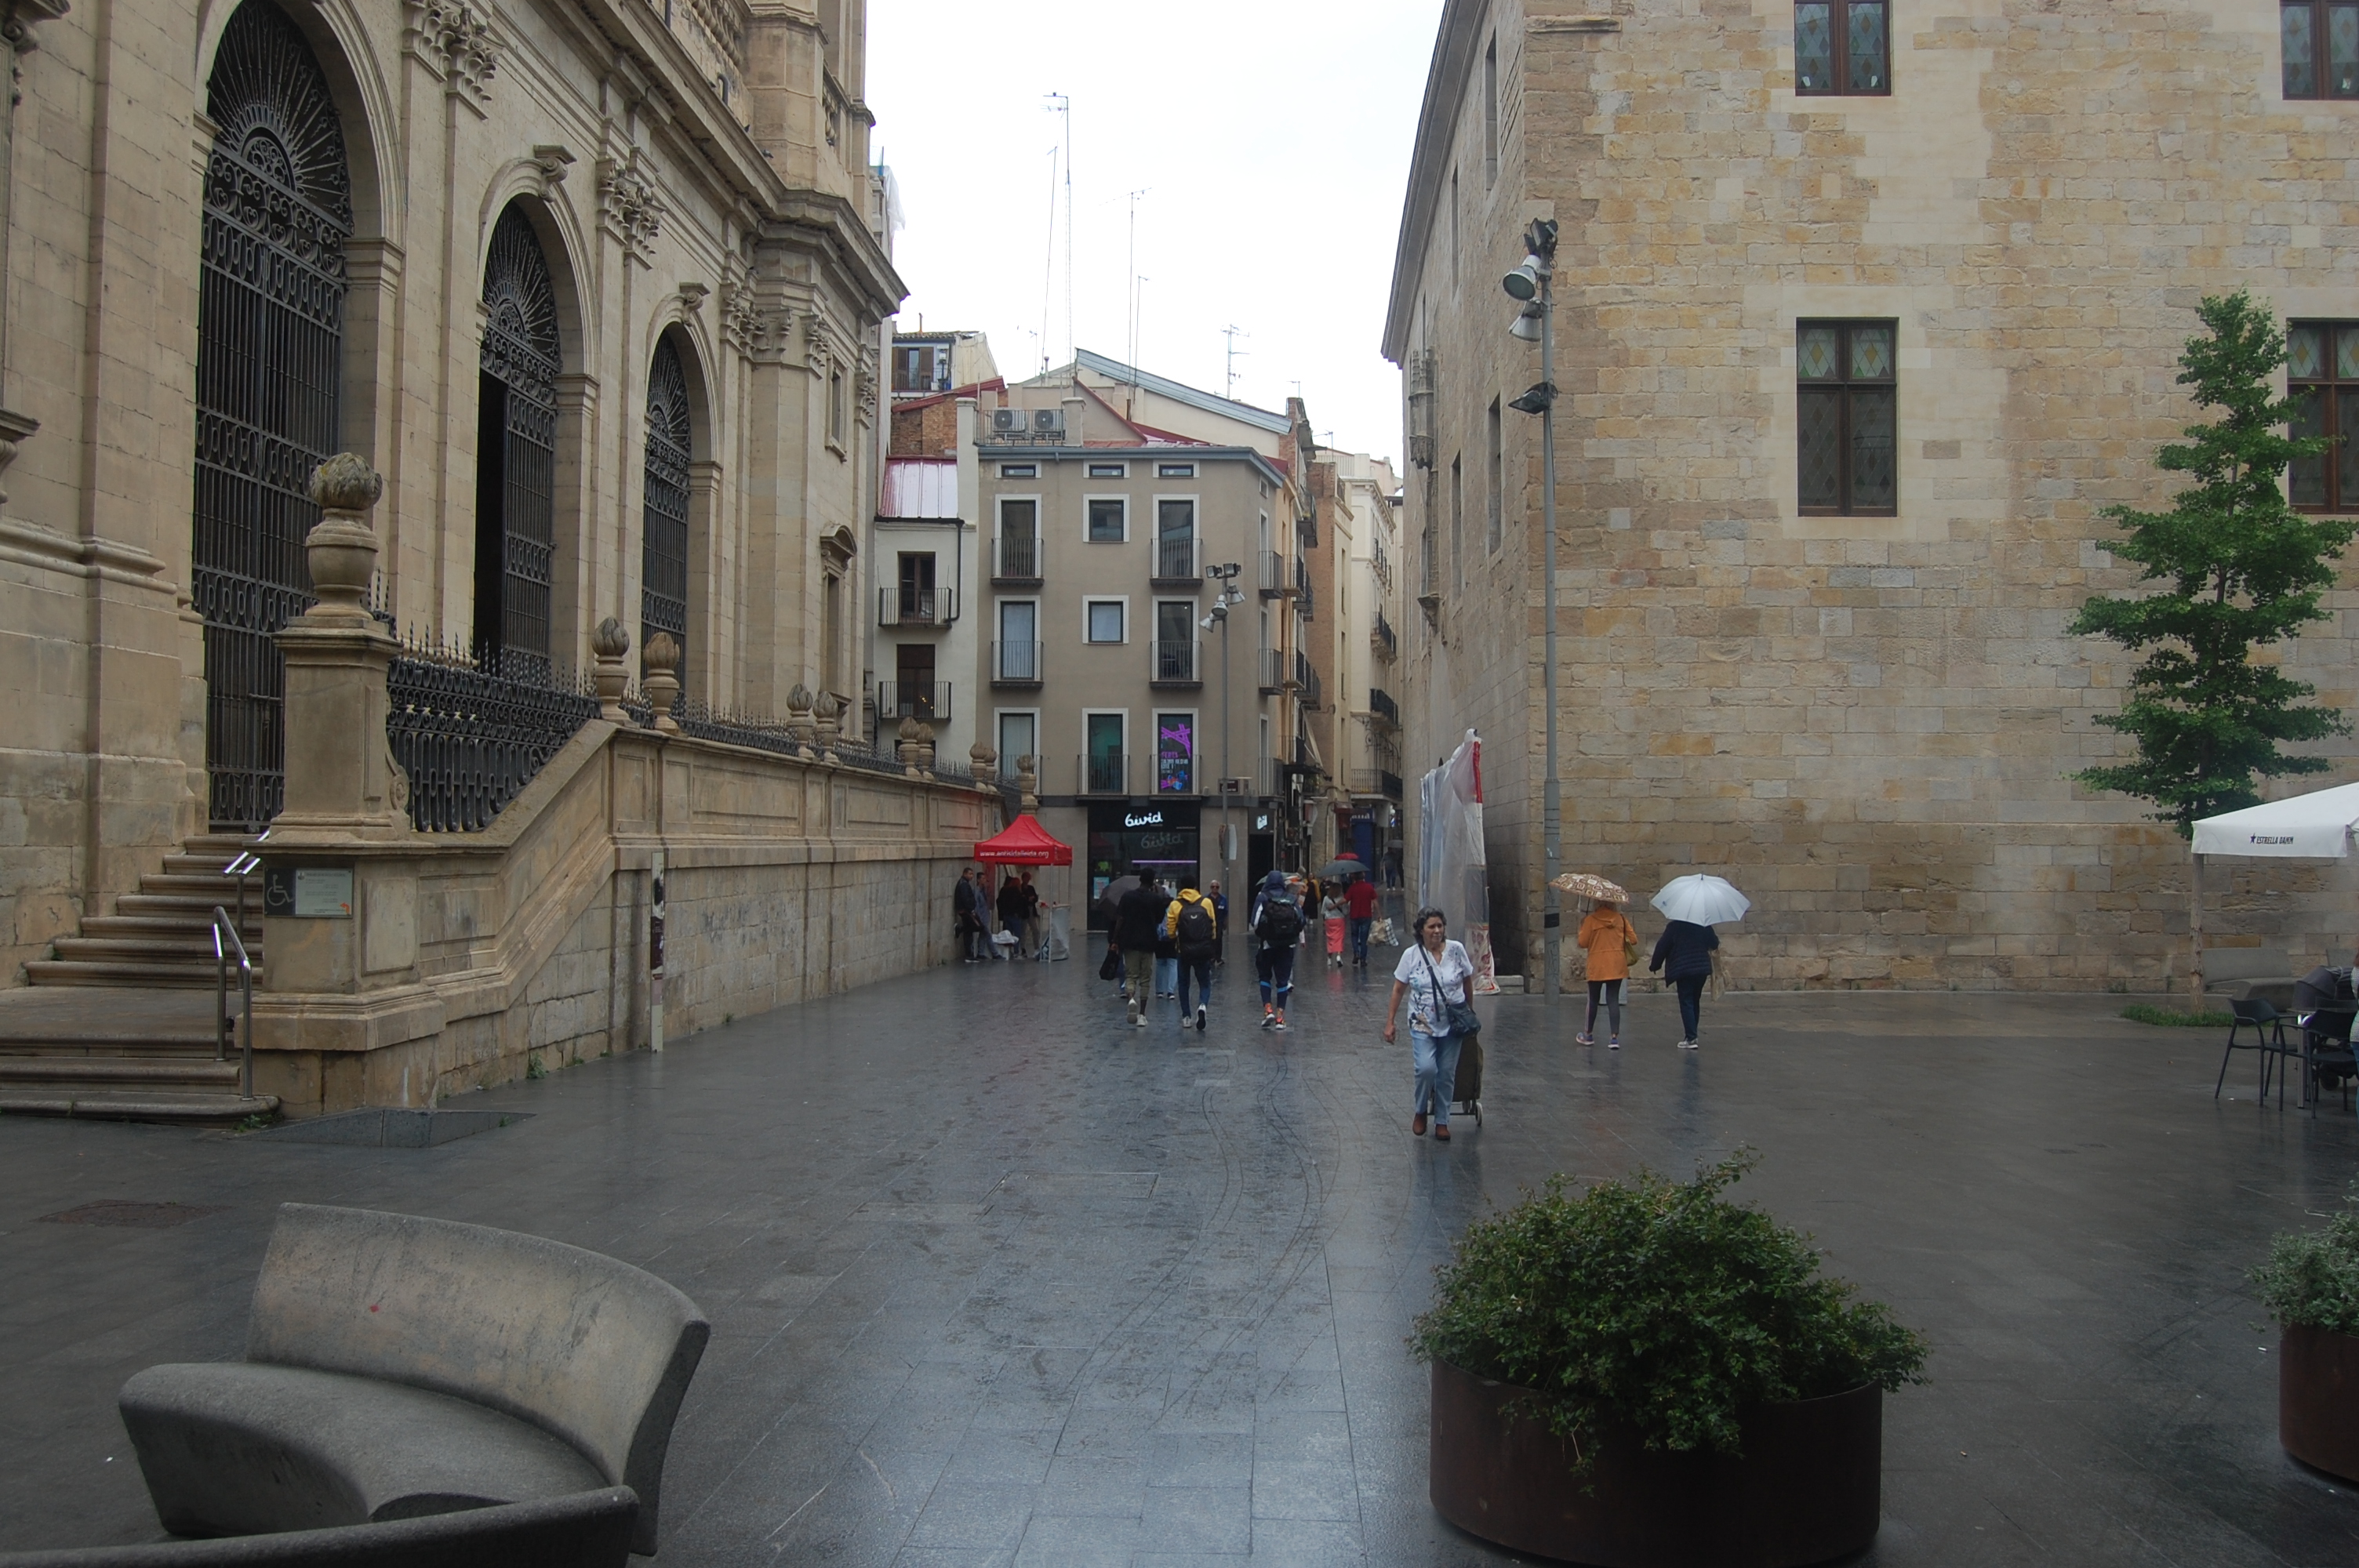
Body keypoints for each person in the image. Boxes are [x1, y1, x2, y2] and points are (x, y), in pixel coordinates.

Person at [1385, 906, 1476, 1142]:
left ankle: (1443, 1121)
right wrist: (1390, 1022)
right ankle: (1420, 1110)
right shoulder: (1411, 956)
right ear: (1421, 930)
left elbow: (1467, 982)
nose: (1437, 931)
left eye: (1440, 926)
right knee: (1426, 1069)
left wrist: (1469, 1012)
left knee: (1446, 1072)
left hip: (1452, 1024)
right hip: (1422, 1022)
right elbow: (1398, 989)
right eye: (1431, 926)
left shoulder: (1456, 950)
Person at [1574, 898, 1639, 1048]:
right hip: (1616, 964)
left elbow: (1583, 943)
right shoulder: (1621, 919)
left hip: (1597, 965)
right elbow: (1634, 940)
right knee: (1613, 1000)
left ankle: (1588, 1034)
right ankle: (1614, 1038)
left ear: (1597, 904)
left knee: (1593, 1000)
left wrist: (1583, 927)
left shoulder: (1590, 920)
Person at [1648, 917, 1720, 1049]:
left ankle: (1691, 1037)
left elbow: (1662, 946)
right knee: (1694, 1000)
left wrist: (1654, 965)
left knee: (1686, 1001)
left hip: (1683, 969)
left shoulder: (1674, 927)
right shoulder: (1703, 925)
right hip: (1701, 968)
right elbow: (1714, 943)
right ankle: (1692, 1035)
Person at [1165, 875, 1219, 1032]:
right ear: (1195, 886)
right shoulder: (1206, 902)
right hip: (1203, 949)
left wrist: (1174, 939)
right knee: (1204, 982)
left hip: (1184, 950)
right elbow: (1213, 925)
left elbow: (1170, 929)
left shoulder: (1176, 904)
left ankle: (1186, 1017)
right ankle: (1202, 1005)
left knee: (1183, 983)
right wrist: (1212, 942)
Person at [1251, 869, 1304, 1030]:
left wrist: (1263, 935)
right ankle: (1281, 1018)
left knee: (1265, 977)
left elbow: (1254, 922)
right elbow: (1301, 920)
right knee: (1283, 980)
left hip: (1268, 945)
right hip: (1287, 945)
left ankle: (1268, 1011)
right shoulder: (1291, 898)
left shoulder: (1262, 897)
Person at [1114, 873, 1169, 1027]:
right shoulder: (1155, 899)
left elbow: (1120, 919)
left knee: (1131, 975)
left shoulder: (1127, 897)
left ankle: (1131, 998)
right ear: (1152, 882)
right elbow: (1159, 919)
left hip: (1129, 941)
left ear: (1140, 880)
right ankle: (1142, 1014)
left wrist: (1115, 940)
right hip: (1148, 942)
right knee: (1145, 978)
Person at [1343, 873, 1379, 967]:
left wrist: (1334, 906)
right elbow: (1375, 901)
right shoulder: (1369, 887)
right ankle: (1363, 959)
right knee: (1364, 938)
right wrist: (1379, 914)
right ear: (1364, 877)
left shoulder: (1352, 888)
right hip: (1366, 915)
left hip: (1354, 915)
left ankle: (1356, 952)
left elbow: (1345, 899)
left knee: (1354, 935)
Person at [952, 868, 983, 963]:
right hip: (966, 911)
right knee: (978, 926)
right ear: (965, 874)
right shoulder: (964, 885)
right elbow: (966, 898)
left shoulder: (964, 883)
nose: (971, 876)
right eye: (970, 874)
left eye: (972, 874)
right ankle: (960, 929)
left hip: (966, 910)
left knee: (969, 931)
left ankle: (969, 954)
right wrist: (971, 909)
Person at [994, 869, 1027, 955]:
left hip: (1006, 915)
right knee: (1017, 934)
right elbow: (1018, 903)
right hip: (1014, 915)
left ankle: (1008, 952)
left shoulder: (1004, 890)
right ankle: (1016, 951)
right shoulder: (1016, 892)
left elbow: (999, 901)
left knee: (1007, 934)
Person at [1322, 884, 1347, 968]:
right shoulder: (1341, 898)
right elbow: (1345, 911)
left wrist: (1324, 921)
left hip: (1329, 920)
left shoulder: (1326, 898)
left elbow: (1323, 911)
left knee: (1330, 939)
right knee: (1339, 938)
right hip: (1339, 919)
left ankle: (1329, 959)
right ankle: (1338, 956)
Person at [1209, 880, 1229, 967]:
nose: (1215, 888)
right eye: (1213, 887)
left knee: (1219, 939)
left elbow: (1226, 912)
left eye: (1217, 887)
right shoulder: (1207, 898)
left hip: (1219, 922)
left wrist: (1226, 922)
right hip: (1209, 922)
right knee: (1210, 940)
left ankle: (1218, 958)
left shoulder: (1223, 898)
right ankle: (1211, 957)